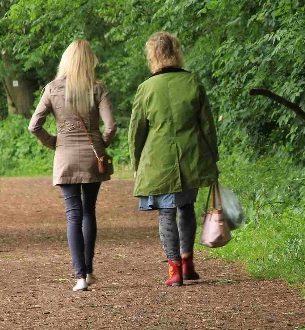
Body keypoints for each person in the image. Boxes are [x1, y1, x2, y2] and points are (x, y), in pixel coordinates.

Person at [129, 32, 219, 286]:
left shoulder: (146, 89)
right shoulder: (192, 82)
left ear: (153, 56)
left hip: (159, 161)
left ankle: (174, 270)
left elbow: (136, 131)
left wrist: (136, 164)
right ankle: (188, 262)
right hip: (191, 157)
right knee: (186, 208)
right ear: (177, 52)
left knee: (166, 213)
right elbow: (208, 126)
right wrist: (213, 157)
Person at [29, 39, 116, 291]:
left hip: (65, 157)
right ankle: (88, 272)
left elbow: (34, 125)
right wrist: (102, 145)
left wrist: (53, 142)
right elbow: (111, 126)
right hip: (92, 158)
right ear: (90, 61)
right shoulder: (97, 88)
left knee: (73, 214)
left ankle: (79, 276)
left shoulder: (52, 89)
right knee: (89, 212)